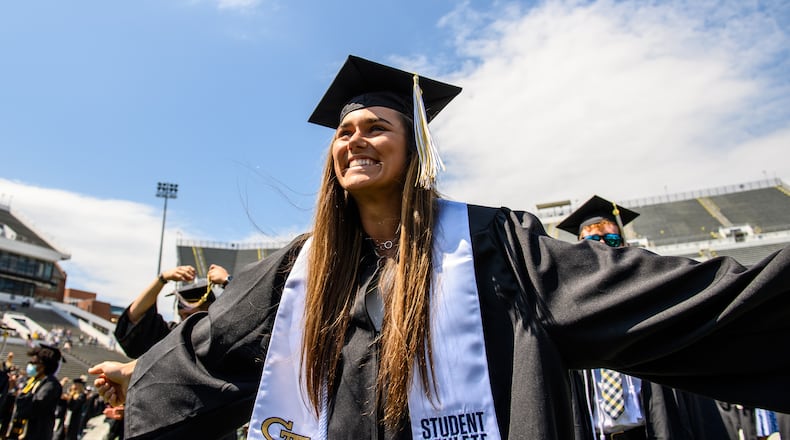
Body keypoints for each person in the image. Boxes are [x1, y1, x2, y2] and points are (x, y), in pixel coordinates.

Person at [90, 54, 790, 440]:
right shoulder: (298, 274)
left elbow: (676, 300)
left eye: (377, 127)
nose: (356, 137)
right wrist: (138, 379)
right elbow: (200, 357)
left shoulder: (496, 246)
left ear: (416, 148)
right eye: (345, 130)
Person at [557, 195, 731, 440]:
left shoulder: (647, 290)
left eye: (612, 238)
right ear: (578, 244)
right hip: (594, 431)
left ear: (625, 244)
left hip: (651, 427)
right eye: (593, 239)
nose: (603, 246)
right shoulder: (567, 299)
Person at [112, 264, 230, 358]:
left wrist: (227, 280)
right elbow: (134, 317)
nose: (186, 320)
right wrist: (162, 279)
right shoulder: (173, 337)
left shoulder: (223, 338)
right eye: (182, 315)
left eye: (190, 314)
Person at [7, 345, 63, 439]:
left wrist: (19, 395)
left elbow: (35, 405)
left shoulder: (51, 385)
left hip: (35, 434)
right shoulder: (32, 381)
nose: (30, 366)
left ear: (43, 366)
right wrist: (13, 389)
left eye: (34, 363)